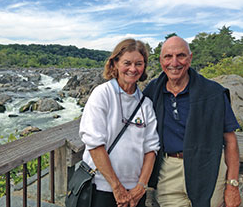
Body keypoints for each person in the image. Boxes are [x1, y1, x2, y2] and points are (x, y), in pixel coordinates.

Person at [143, 36, 241, 207]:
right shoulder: (153, 91)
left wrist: (232, 185)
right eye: (168, 57)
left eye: (180, 55)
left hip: (208, 167)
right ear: (160, 61)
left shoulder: (213, 93)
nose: (174, 62)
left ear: (190, 58)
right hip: (169, 171)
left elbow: (230, 140)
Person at [79, 38, 160, 207]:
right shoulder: (102, 94)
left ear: (144, 66)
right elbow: (94, 143)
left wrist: (141, 187)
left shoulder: (146, 104)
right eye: (127, 63)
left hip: (135, 192)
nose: (133, 69)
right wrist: (117, 188)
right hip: (102, 188)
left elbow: (151, 148)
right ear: (115, 63)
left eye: (139, 63)